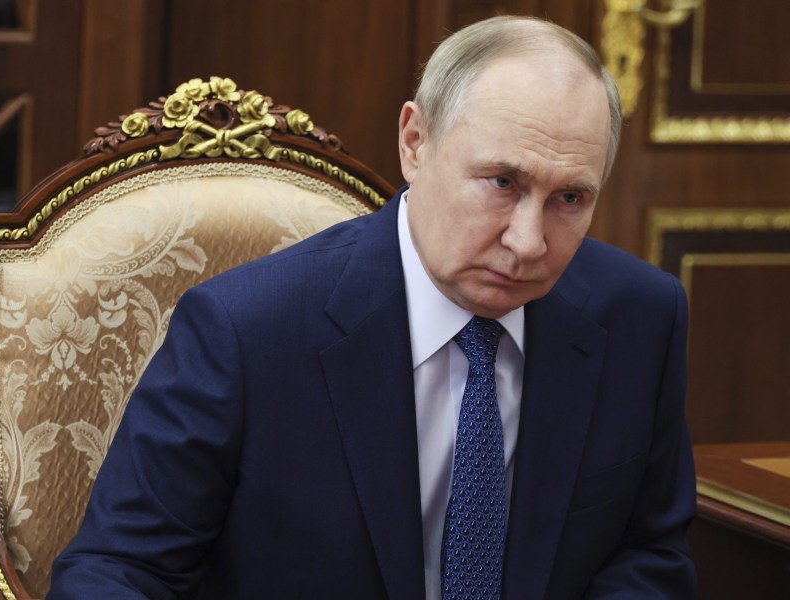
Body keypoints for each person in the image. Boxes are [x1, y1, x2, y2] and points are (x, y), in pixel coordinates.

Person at [47, 15, 697, 600]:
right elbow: (118, 570)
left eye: (569, 199)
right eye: (502, 182)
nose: (529, 242)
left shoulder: (641, 317)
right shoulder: (247, 332)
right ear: (415, 142)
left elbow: (649, 553)